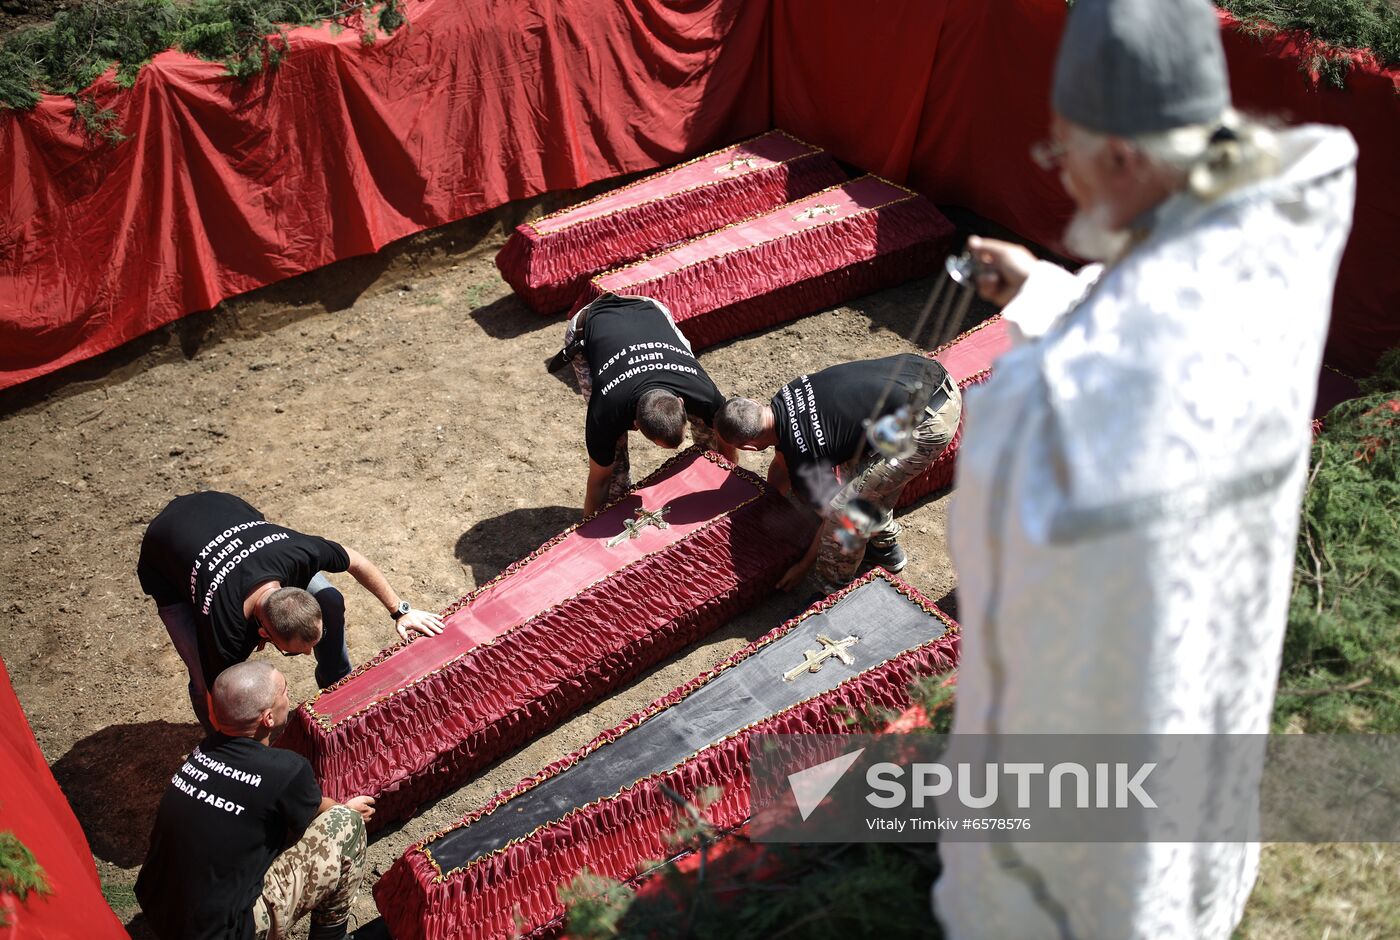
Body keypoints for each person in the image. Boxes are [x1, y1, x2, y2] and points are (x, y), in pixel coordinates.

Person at [934, 0, 1357, 937]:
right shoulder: (1264, 240)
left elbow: (1011, 517)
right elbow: (1144, 320)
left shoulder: (1068, 398)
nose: (1062, 177)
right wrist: (1044, 289)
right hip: (1209, 662)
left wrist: (1017, 383)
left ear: (1121, 158)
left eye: (1062, 153)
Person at [138, 491, 444, 732]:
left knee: (331, 598)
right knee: (203, 681)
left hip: (222, 506)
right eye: (293, 653)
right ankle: (223, 753)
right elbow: (215, 696)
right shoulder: (224, 635)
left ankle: (338, 682)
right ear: (262, 633)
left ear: (294, 585)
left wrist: (400, 611)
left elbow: (357, 562)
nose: (309, 654)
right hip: (165, 551)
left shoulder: (299, 554)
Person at [136, 662, 374, 940]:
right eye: (284, 691)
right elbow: (319, 813)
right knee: (347, 825)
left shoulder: (201, 753)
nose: (289, 695)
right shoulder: (287, 769)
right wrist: (346, 810)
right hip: (225, 932)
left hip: (159, 909)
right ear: (268, 719)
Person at [714, 353, 960, 592]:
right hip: (923, 372)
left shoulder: (804, 455)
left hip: (929, 422)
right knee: (857, 473)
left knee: (847, 509)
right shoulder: (785, 396)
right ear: (756, 404)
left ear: (748, 447)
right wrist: (767, 505)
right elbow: (781, 465)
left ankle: (831, 586)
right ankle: (884, 548)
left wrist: (803, 566)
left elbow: (833, 514)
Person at [555, 293, 737, 516]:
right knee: (614, 472)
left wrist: (734, 493)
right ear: (635, 424)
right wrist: (590, 536)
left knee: (712, 437)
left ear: (682, 402)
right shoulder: (605, 413)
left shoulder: (704, 395)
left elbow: (728, 447)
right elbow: (599, 482)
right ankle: (616, 509)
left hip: (648, 309)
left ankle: (707, 475)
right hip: (589, 323)